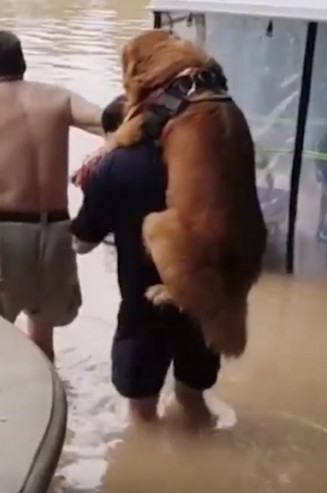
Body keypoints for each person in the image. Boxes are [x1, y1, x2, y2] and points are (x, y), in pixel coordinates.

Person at [71, 96, 221, 428]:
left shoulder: (113, 167)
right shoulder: (207, 160)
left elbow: (81, 244)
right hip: (201, 301)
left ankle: (149, 469)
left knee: (142, 414)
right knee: (193, 400)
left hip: (143, 307)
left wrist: (95, 191)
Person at [0, 29, 105, 362]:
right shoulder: (59, 99)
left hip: (6, 233)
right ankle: (52, 406)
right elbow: (115, 123)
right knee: (42, 340)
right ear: (23, 63)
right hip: (56, 232)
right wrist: (101, 155)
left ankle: (4, 408)